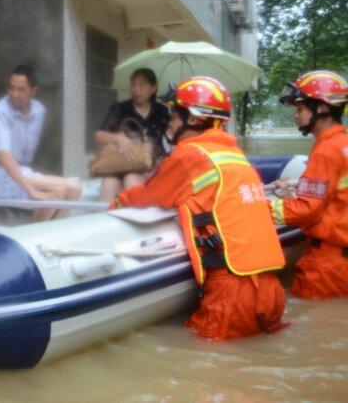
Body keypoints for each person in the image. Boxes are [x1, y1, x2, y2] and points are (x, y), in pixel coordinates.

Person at [112, 76, 286, 340]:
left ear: (192, 119)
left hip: (233, 292)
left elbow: (151, 195)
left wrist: (117, 202)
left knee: (211, 366)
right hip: (271, 288)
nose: (169, 124)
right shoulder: (234, 155)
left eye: (173, 117)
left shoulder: (190, 154)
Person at [269, 70, 348, 299]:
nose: (295, 115)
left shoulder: (326, 150)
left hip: (328, 263)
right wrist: (297, 188)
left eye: (300, 108)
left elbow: (307, 209)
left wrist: (257, 207)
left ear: (322, 108)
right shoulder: (342, 143)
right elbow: (335, 194)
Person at [0, 65, 82, 221]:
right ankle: (33, 238)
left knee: (75, 188)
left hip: (23, 171)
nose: (14, 94)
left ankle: (53, 234)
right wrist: (32, 192)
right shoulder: (0, 111)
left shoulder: (39, 111)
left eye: (21, 89)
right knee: (57, 191)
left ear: (33, 91)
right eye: (11, 88)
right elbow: (3, 156)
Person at [96, 68, 169, 202]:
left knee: (132, 179)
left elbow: (171, 136)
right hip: (122, 162)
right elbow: (99, 136)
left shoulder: (162, 111)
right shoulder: (120, 109)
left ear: (153, 88)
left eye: (142, 85)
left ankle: (139, 218)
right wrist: (118, 139)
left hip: (152, 164)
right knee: (109, 183)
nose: (136, 89)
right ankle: (103, 219)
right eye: (134, 85)